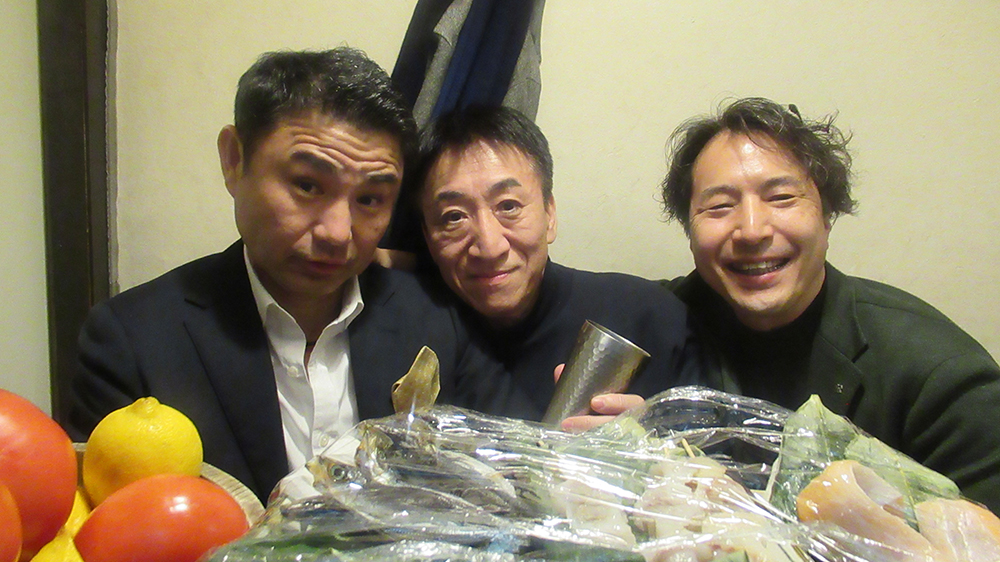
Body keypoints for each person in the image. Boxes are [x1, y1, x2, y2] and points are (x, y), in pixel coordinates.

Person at [67, 48, 516, 502]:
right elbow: (104, 523)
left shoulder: (439, 317)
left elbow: (504, 476)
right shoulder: (131, 342)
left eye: (370, 199)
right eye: (307, 185)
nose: (337, 233)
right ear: (234, 159)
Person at [659, 97, 1000, 511]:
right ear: (690, 229)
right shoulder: (653, 323)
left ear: (827, 215)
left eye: (781, 197)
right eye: (719, 207)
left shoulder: (936, 373)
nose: (751, 230)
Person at [410, 105, 702, 424]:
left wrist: (644, 443)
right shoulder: (412, 329)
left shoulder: (651, 319)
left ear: (549, 214)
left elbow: (709, 448)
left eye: (508, 206)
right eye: (454, 217)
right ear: (426, 235)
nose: (490, 247)